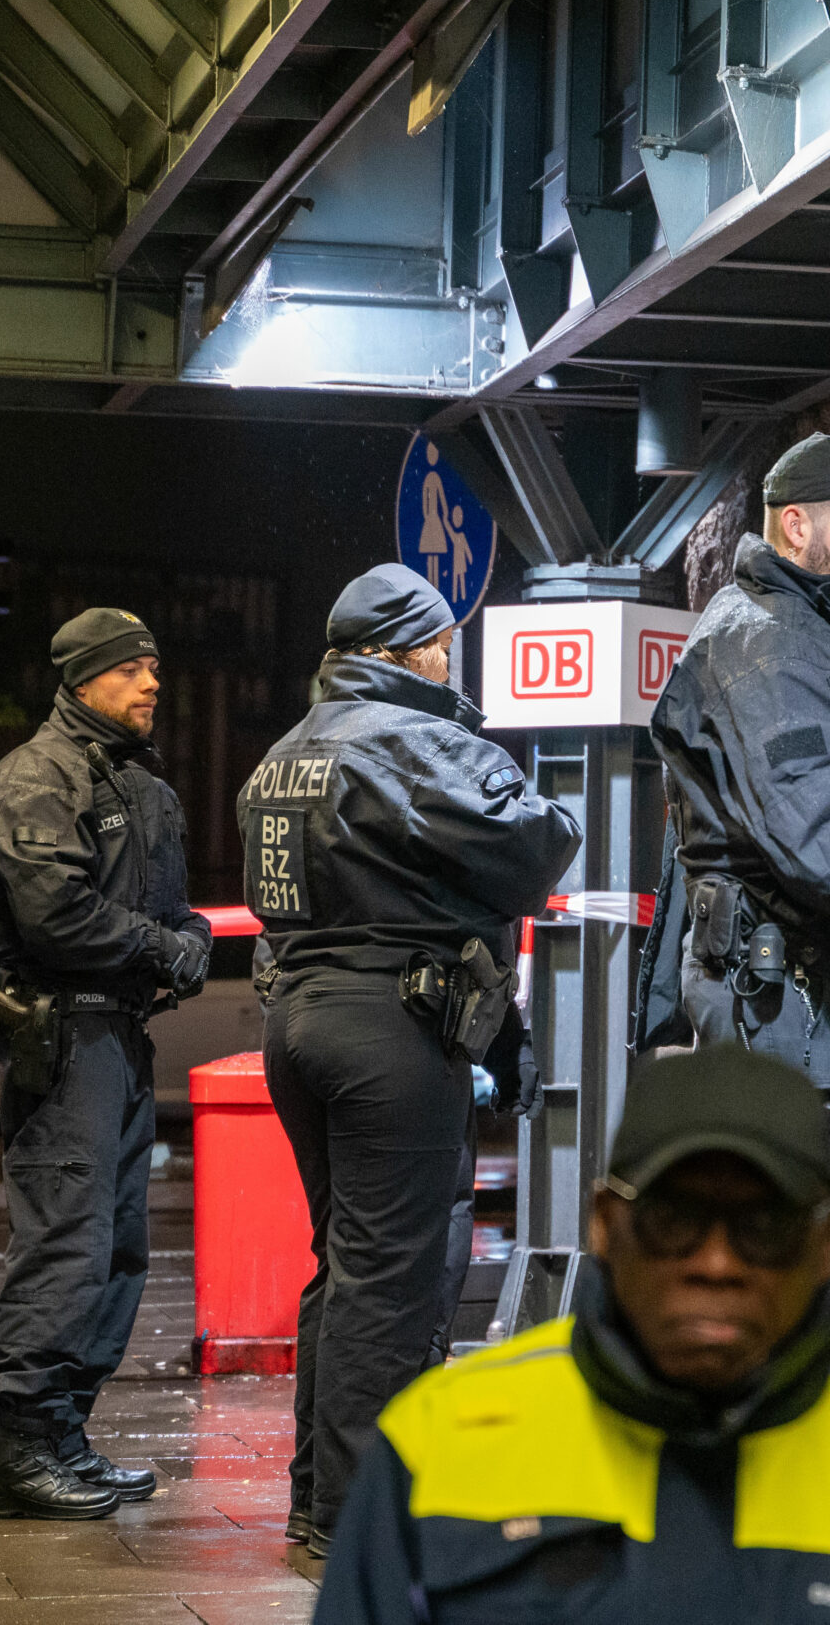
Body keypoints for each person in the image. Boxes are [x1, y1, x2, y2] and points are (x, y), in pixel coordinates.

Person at [315, 1043, 830, 1625]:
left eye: (763, 1227)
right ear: (604, 1224)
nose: (716, 1264)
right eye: (673, 1220)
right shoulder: (440, 1453)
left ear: (822, 1245)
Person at [242, 563, 581, 1556]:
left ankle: (316, 1498)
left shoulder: (286, 751)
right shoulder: (411, 740)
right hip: (390, 1027)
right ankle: (360, 1524)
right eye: (439, 644)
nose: (449, 659)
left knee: (343, 1267)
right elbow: (537, 844)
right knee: (393, 1280)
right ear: (402, 652)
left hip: (297, 1021)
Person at [647, 432, 830, 1368]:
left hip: (829, 992)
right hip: (785, 1005)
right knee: (803, 1283)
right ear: (797, 524)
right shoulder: (760, 644)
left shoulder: (808, 635)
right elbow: (824, 843)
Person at [0, 608, 213, 1521]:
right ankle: (17, 1449)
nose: (153, 682)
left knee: (115, 1250)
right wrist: (163, 945)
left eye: (155, 665)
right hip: (64, 1038)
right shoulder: (37, 777)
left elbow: (170, 907)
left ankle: (60, 1432)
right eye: (132, 668)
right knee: (66, 1245)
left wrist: (187, 937)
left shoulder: (140, 785)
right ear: (82, 680)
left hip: (120, 1035)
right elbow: (57, 916)